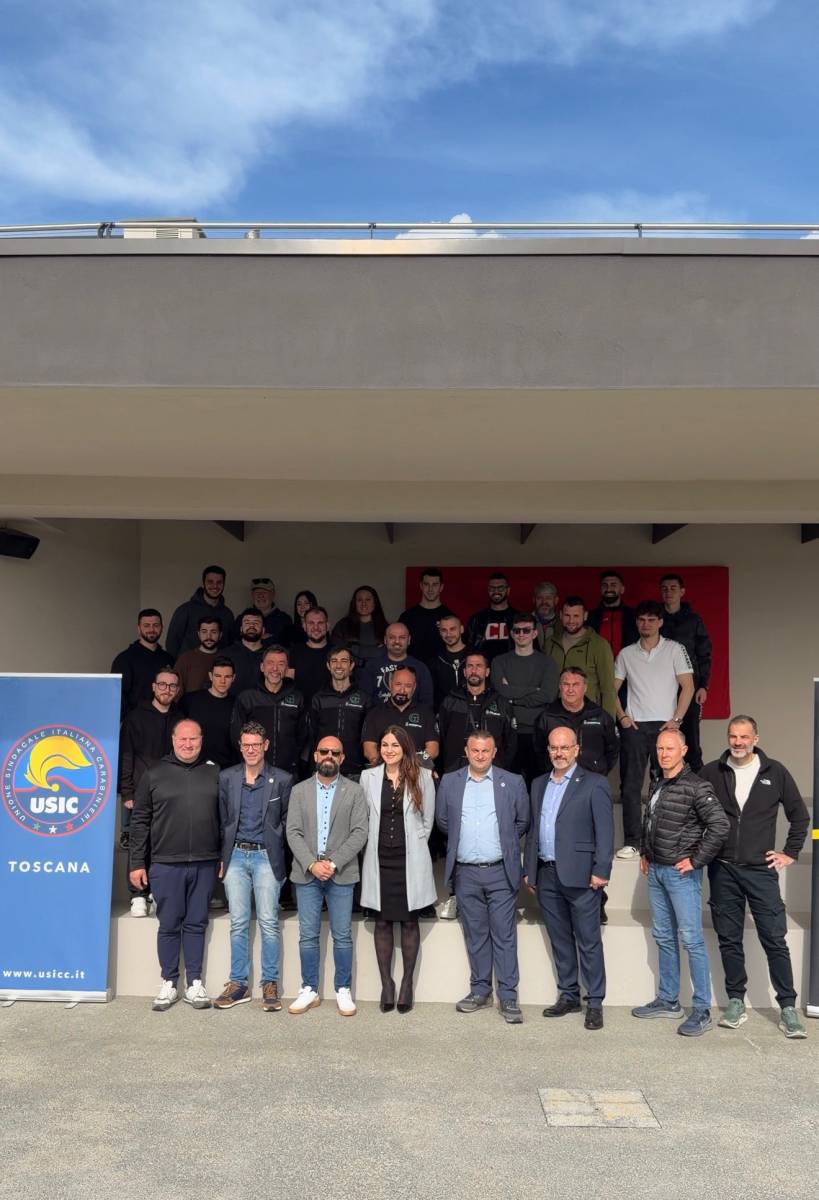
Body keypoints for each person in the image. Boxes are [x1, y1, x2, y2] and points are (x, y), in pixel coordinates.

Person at [701, 716, 810, 1038]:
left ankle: (787, 1007)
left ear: (755, 739)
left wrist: (790, 852)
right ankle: (736, 1001)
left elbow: (800, 816)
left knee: (774, 939)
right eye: (733, 736)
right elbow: (693, 812)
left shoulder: (775, 772)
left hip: (761, 871)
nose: (738, 742)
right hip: (723, 869)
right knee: (729, 939)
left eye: (744, 737)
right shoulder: (712, 772)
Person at [631, 729, 729, 1037]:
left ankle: (701, 1010)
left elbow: (720, 825)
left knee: (691, 940)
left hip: (681, 875)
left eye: (670, 748)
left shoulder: (697, 786)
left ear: (683, 751)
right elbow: (651, 820)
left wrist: (697, 860)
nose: (664, 754)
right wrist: (645, 852)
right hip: (656, 871)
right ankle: (668, 1000)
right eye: (660, 748)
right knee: (664, 936)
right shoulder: (658, 782)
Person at [523, 727, 614, 1030]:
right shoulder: (538, 783)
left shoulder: (595, 783)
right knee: (560, 940)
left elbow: (605, 832)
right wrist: (530, 869)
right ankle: (569, 995)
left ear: (576, 749)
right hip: (547, 874)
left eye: (565, 747)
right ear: (548, 750)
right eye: (554, 748)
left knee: (589, 942)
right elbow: (534, 830)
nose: (559, 753)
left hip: (582, 876)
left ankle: (595, 1002)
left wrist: (602, 870)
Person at [436, 730, 529, 1023]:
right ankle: (480, 992)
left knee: (504, 936)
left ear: (494, 752)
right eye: (474, 750)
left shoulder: (512, 782)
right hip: (466, 873)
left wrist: (501, 841)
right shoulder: (450, 782)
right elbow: (443, 821)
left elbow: (522, 821)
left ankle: (509, 997)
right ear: (466, 751)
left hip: (500, 871)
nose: (480, 756)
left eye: (485, 751)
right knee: (475, 936)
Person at [129, 718, 221, 1012]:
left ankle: (195, 984)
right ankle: (169, 982)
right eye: (182, 739)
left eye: (193, 739)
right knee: (168, 925)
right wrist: (136, 863)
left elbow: (225, 820)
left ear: (201, 740)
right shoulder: (154, 774)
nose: (188, 744)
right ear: (173, 740)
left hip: (205, 863)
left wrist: (223, 857)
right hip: (165, 864)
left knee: (196, 923)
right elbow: (139, 821)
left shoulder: (215, 773)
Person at [214, 722, 294, 1012]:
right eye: (246, 745)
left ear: (265, 746)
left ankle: (269, 983)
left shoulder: (282, 779)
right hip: (235, 856)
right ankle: (238, 984)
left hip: (265, 858)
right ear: (240, 746)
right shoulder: (227, 778)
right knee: (238, 922)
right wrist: (223, 857)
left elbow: (286, 821)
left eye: (256, 745)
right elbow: (223, 820)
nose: (251, 750)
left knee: (268, 922)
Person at [285, 737, 368, 1016]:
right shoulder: (298, 791)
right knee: (307, 935)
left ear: (342, 758)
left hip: (340, 872)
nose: (329, 756)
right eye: (324, 751)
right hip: (307, 873)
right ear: (316, 756)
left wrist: (332, 863)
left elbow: (360, 832)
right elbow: (293, 831)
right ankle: (309, 989)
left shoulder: (355, 791)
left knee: (342, 936)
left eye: (335, 752)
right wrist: (312, 864)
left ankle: (343, 989)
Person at [360, 726, 437, 1012]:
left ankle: (406, 984)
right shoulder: (368, 777)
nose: (389, 750)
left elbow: (427, 821)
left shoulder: (423, 776)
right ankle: (386, 984)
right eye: (384, 745)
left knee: (409, 922)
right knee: (381, 922)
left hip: (409, 860)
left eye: (394, 745)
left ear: (405, 747)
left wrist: (414, 845)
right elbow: (364, 817)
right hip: (379, 859)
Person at [613, 599, 695, 860]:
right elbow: (610, 689)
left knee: (666, 785)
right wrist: (622, 717)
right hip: (636, 726)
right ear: (636, 623)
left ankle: (662, 841)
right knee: (631, 786)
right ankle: (632, 842)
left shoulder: (675, 649)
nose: (646, 624)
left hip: (664, 726)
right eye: (641, 620)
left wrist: (677, 720)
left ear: (660, 622)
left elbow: (688, 686)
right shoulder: (626, 653)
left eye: (651, 619)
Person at [118, 666, 180, 894]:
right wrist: (127, 792)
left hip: (171, 792)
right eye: (162, 684)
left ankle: (156, 891)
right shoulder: (135, 717)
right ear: (154, 687)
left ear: (177, 690)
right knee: (139, 840)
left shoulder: (180, 719)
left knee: (164, 841)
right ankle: (138, 894)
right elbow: (126, 756)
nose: (167, 689)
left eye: (172, 686)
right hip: (140, 790)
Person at [490, 612, 559, 782]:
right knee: (507, 783)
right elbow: (500, 692)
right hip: (507, 731)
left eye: (526, 630)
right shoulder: (499, 661)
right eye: (517, 630)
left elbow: (548, 695)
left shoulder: (548, 663)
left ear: (535, 633)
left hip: (537, 732)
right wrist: (534, 689)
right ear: (512, 633)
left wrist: (512, 696)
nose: (521, 634)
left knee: (537, 783)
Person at [659, 573, 712, 771]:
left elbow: (704, 654)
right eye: (665, 589)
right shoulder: (656, 619)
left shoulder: (693, 620)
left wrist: (703, 685)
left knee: (691, 737)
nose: (669, 592)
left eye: (673, 588)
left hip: (689, 687)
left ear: (682, 592)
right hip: (661, 688)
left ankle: (697, 781)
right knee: (663, 737)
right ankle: (663, 783)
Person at [230, 645, 307, 777]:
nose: (275, 668)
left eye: (281, 664)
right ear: (262, 667)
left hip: (288, 772)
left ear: (287, 669)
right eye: (270, 663)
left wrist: (293, 759)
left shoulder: (297, 698)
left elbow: (303, 735)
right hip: (254, 771)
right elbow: (236, 736)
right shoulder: (247, 698)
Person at [437, 652, 517, 773]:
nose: (474, 671)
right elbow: (441, 737)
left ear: (487, 672)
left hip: (492, 771)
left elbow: (511, 743)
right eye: (470, 666)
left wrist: (501, 768)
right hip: (456, 771)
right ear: (464, 672)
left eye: (479, 666)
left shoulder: (501, 703)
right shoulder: (450, 702)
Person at [534, 667, 619, 778]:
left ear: (585, 687)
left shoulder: (600, 716)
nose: (570, 689)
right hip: (558, 779)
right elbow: (538, 751)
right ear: (560, 687)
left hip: (592, 779)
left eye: (575, 685)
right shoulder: (547, 717)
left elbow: (612, 750)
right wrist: (550, 771)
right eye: (566, 684)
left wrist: (599, 772)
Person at [541, 596, 617, 716]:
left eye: (576, 616)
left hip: (587, 714)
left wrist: (608, 722)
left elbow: (608, 689)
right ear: (560, 615)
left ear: (585, 616)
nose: (571, 621)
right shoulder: (550, 643)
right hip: (554, 714)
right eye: (567, 615)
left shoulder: (599, 645)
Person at [309, 645, 372, 780]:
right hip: (324, 767)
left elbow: (368, 737)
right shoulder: (318, 699)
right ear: (328, 665)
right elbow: (311, 735)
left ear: (351, 665)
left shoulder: (364, 699)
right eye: (334, 661)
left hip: (354, 769)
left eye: (344, 661)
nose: (339, 665)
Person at [361, 667, 439, 766]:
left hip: (416, 771)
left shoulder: (426, 714)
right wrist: (387, 769)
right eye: (398, 684)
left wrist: (410, 768)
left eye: (408, 686)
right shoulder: (374, 714)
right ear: (390, 684)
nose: (402, 690)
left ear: (414, 688)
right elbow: (369, 750)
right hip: (383, 771)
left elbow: (433, 750)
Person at [111, 609, 174, 717]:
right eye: (146, 625)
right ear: (139, 628)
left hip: (165, 719)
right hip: (136, 721)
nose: (151, 629)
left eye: (156, 625)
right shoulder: (124, 659)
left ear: (162, 628)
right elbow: (117, 696)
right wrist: (129, 720)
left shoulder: (168, 659)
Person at [358, 622, 434, 707]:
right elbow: (364, 700)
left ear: (409, 640)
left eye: (402, 637)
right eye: (392, 637)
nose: (397, 641)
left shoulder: (420, 668)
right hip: (378, 714)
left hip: (412, 715)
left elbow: (427, 703)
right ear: (385, 640)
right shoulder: (371, 666)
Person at [166, 565, 234, 658]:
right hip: (189, 666)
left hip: (219, 666)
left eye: (219, 582)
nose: (215, 586)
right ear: (203, 583)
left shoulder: (228, 614)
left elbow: (230, 645)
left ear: (223, 584)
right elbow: (172, 644)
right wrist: (180, 665)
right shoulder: (185, 610)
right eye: (210, 582)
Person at [181, 656, 237, 769]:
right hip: (194, 767)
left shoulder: (237, 704)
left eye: (227, 676)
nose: (222, 681)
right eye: (218, 676)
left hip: (226, 768)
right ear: (210, 676)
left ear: (233, 678)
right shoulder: (190, 700)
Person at [398, 567, 455, 665]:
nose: (430, 589)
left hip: (441, 671)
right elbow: (398, 646)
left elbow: (456, 648)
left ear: (441, 587)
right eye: (426, 584)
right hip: (412, 670)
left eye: (435, 585)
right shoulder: (407, 616)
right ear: (421, 586)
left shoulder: (450, 617)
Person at [331, 585, 388, 667]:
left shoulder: (386, 627)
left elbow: (390, 653)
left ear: (375, 603)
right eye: (359, 600)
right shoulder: (342, 626)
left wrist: (354, 649)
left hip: (379, 671)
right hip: (350, 672)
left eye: (368, 600)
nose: (364, 604)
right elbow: (336, 653)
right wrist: (374, 651)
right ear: (354, 603)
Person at [466, 572, 518, 661]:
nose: (496, 591)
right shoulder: (477, 619)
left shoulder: (518, 618)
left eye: (500, 588)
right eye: (492, 588)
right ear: (488, 590)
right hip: (484, 668)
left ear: (508, 590)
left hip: (512, 666)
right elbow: (468, 648)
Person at [588, 570, 637, 658]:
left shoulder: (633, 615)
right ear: (600, 589)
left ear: (622, 589)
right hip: (597, 663)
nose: (608, 589)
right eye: (605, 585)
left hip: (628, 663)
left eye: (613, 585)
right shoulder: (589, 617)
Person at [288, 606, 331, 704]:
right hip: (299, 708)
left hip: (329, 708)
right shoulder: (294, 651)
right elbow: (288, 685)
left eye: (320, 623)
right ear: (304, 626)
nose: (316, 627)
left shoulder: (337, 653)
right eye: (311, 623)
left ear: (327, 626)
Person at [173, 615, 224, 696]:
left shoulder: (227, 657)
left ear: (220, 635)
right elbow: (176, 692)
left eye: (213, 632)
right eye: (204, 632)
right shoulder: (185, 659)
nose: (208, 636)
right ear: (198, 634)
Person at [222, 607, 267, 695]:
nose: (251, 626)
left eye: (256, 623)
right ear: (241, 629)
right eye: (247, 623)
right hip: (232, 703)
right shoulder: (226, 654)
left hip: (264, 703)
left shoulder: (271, 655)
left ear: (263, 630)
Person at [430, 614, 470, 708]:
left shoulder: (475, 657)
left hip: (472, 712)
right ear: (440, 632)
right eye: (444, 630)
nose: (448, 634)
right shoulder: (434, 661)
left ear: (461, 629)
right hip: (444, 712)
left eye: (452, 629)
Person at [248, 577, 294, 645]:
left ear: (273, 594)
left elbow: (288, 646)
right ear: (252, 595)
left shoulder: (284, 620)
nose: (260, 596)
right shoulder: (241, 619)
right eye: (257, 592)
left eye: (264, 592)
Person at [532, 581, 560, 648]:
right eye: (539, 598)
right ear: (534, 600)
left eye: (548, 598)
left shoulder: (563, 623)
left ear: (556, 600)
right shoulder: (525, 622)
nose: (544, 602)